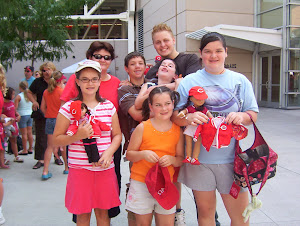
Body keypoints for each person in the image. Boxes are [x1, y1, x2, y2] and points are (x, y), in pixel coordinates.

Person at [172, 32, 259, 226]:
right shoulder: (189, 81)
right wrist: (189, 117)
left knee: (241, 218)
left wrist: (242, 116)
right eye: (208, 51)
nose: (213, 56)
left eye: (218, 51)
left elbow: (253, 113)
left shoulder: (240, 81)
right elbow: (173, 116)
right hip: (199, 161)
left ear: (226, 52)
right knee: (206, 215)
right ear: (201, 53)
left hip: (232, 161)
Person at [53, 60, 122, 226]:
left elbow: (118, 135)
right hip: (79, 170)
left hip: (104, 169)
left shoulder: (108, 106)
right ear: (77, 81)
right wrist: (77, 135)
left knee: (103, 215)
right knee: (82, 216)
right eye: (85, 79)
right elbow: (56, 138)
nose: (90, 83)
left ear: (99, 81)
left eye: (94, 79)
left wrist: (108, 152)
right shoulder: (69, 108)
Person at [125, 86, 184, 226]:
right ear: (151, 106)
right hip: (141, 183)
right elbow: (129, 154)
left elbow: (180, 158)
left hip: (165, 184)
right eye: (158, 105)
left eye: (167, 104)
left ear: (173, 104)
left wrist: (172, 159)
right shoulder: (143, 128)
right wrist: (143, 154)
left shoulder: (177, 131)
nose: (164, 108)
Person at [27, 62, 56, 169]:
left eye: (48, 70)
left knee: (56, 135)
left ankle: (57, 156)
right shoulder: (37, 81)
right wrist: (34, 102)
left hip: (55, 111)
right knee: (41, 135)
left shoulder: (56, 81)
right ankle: (40, 159)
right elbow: (29, 92)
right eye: (44, 70)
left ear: (53, 70)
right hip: (41, 112)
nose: (46, 72)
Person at [40, 71, 68, 180]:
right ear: (60, 81)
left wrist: (49, 113)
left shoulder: (46, 92)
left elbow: (42, 108)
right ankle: (66, 167)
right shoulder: (62, 92)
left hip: (49, 120)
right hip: (60, 120)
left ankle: (45, 171)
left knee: (50, 146)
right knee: (64, 146)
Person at [177, 86, 213, 165]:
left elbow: (210, 117)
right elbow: (183, 112)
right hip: (190, 127)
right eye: (197, 99)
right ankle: (188, 156)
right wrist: (182, 114)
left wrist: (212, 121)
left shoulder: (204, 109)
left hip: (199, 128)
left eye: (202, 99)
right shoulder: (190, 108)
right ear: (191, 99)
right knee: (188, 142)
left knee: (198, 144)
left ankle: (195, 158)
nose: (200, 101)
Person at [3, 87, 23, 163]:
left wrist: (18, 116)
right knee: (4, 141)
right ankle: (3, 158)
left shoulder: (12, 103)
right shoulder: (3, 104)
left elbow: (15, 112)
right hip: (7, 125)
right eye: (13, 94)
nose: (14, 96)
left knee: (14, 140)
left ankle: (16, 156)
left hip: (14, 124)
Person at [14, 81, 33, 155]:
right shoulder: (29, 95)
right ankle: (30, 148)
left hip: (22, 115)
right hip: (30, 114)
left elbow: (15, 108)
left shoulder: (19, 96)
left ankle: (25, 149)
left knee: (24, 134)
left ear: (20, 87)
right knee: (30, 133)